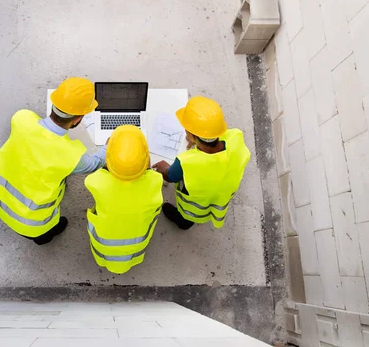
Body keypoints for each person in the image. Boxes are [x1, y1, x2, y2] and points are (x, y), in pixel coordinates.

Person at [0, 77, 106, 245]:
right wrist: (109, 146)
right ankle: (44, 237)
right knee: (43, 237)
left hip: (2, 206)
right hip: (34, 225)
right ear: (77, 119)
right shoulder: (71, 156)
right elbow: (94, 163)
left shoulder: (21, 118)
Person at [152, 96, 250, 230]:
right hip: (221, 194)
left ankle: (184, 222)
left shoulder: (186, 162)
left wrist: (164, 168)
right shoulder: (236, 137)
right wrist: (199, 139)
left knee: (186, 217)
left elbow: (170, 176)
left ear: (191, 136)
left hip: (196, 205)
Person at [84, 125, 163, 274]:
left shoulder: (96, 181)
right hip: (136, 249)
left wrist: (109, 149)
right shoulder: (155, 181)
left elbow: (101, 172)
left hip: (102, 248)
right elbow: (150, 173)